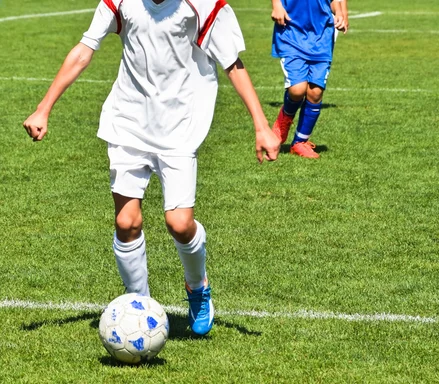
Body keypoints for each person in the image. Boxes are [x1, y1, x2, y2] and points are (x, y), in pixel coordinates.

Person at [22, 0, 280, 336]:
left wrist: (261, 125)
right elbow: (85, 49)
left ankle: (197, 287)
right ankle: (139, 306)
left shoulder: (202, 5)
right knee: (126, 222)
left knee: (179, 223)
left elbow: (232, 63)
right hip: (128, 122)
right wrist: (44, 108)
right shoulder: (120, 1)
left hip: (180, 124)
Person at [270, 0, 347, 159]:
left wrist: (339, 12)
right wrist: (276, 5)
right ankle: (283, 120)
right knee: (297, 90)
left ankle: (300, 142)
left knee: (315, 92)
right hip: (291, 32)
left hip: (321, 36)